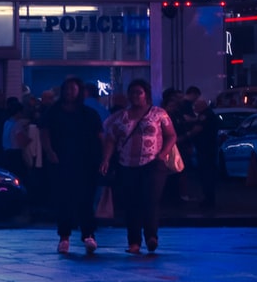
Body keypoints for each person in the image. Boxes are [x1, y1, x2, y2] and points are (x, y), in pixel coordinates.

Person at [101, 79, 176, 254]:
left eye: (139, 92)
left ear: (146, 95)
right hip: (126, 164)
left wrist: (163, 153)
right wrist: (106, 159)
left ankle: (151, 236)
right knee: (131, 203)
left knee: (150, 199)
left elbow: (171, 135)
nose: (135, 96)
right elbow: (111, 139)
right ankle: (134, 241)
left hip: (153, 163)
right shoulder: (121, 116)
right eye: (132, 92)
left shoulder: (158, 114)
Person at [47, 77, 105, 253]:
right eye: (67, 89)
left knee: (86, 199)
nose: (69, 93)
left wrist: (105, 158)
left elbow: (100, 136)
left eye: (73, 89)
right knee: (63, 199)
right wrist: (49, 151)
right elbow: (44, 131)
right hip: (62, 160)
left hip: (86, 161)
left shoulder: (88, 113)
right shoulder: (54, 112)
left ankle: (88, 234)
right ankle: (64, 237)